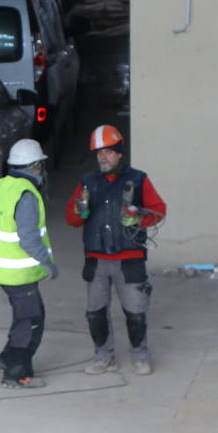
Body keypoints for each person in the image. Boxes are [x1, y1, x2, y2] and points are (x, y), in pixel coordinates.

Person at [64, 125, 167, 376]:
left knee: (136, 313)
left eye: (108, 152)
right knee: (95, 313)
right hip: (96, 259)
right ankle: (104, 357)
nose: (103, 157)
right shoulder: (87, 182)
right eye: (99, 153)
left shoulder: (139, 179)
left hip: (129, 258)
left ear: (120, 154)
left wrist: (139, 219)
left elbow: (159, 209)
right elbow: (72, 219)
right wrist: (79, 211)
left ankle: (140, 356)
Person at [0, 138, 60, 389]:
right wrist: (47, 263)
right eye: (41, 166)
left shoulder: (3, 187)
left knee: (24, 318)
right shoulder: (25, 195)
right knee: (31, 320)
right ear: (35, 166)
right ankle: (17, 372)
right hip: (19, 273)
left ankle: (8, 359)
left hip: (2, 270)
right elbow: (27, 238)